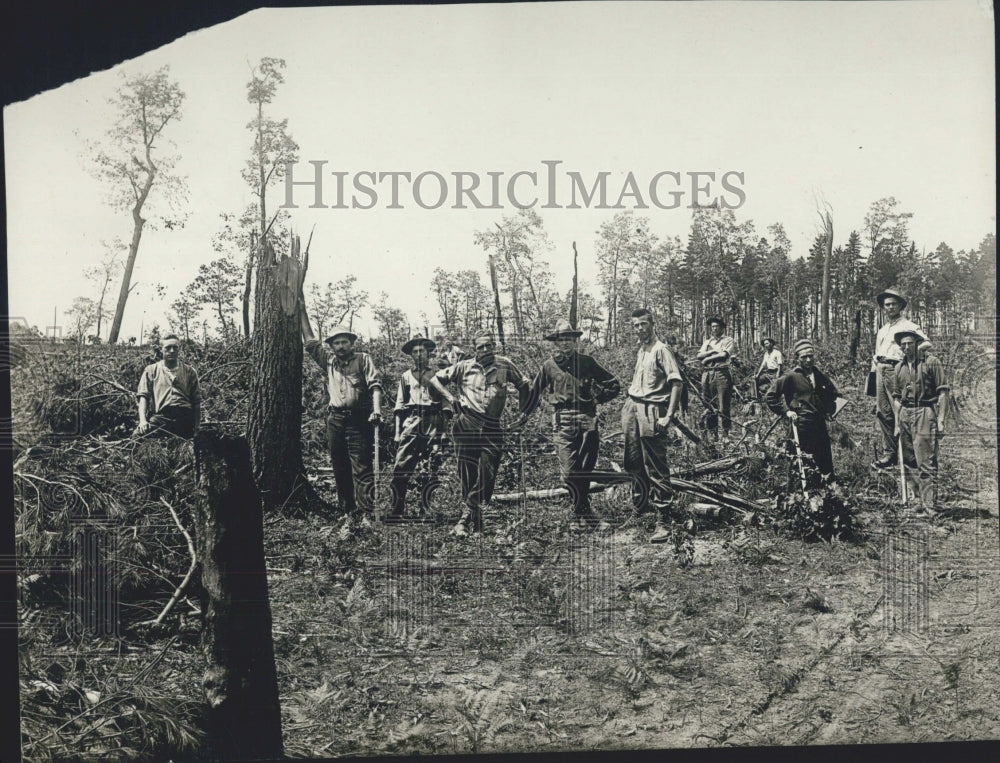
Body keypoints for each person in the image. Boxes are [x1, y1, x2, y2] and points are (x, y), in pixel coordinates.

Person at [522, 319, 621, 531]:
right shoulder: (549, 366)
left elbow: (613, 384)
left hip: (587, 419)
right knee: (569, 473)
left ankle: (580, 516)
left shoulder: (587, 362)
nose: (565, 343)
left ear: (575, 341)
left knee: (585, 469)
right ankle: (585, 512)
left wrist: (597, 399)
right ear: (556, 343)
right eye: (561, 340)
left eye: (569, 339)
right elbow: (534, 393)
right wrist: (523, 417)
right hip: (563, 420)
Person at [431, 330, 530, 536]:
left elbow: (523, 385)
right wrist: (450, 397)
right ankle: (475, 525)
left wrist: (523, 414)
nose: (485, 350)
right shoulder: (464, 366)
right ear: (474, 349)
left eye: (488, 346)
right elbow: (435, 380)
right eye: (480, 347)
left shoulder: (505, 364)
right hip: (466, 422)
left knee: (489, 473)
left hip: (492, 426)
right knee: (467, 474)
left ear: (494, 346)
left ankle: (464, 518)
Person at [299, 305, 383, 520]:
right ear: (332, 346)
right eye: (336, 342)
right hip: (335, 419)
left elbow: (375, 385)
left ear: (352, 343)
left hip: (358, 419)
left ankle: (367, 514)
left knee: (361, 466)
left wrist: (376, 410)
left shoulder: (363, 359)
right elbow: (310, 342)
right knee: (339, 464)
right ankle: (347, 512)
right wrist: (301, 311)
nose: (341, 346)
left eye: (344, 341)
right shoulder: (329, 362)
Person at [622, 309, 684, 544]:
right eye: (636, 325)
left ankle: (663, 520)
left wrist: (668, 415)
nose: (640, 329)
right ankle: (640, 507)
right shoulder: (642, 349)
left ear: (652, 324)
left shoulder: (661, 349)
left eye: (644, 324)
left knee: (656, 466)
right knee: (632, 460)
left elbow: (676, 383)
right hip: (632, 407)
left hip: (651, 409)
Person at [890, 329, 949, 514]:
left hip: (924, 412)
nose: (906, 347)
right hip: (905, 414)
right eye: (903, 344)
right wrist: (897, 423)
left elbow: (943, 392)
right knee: (910, 461)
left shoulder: (931, 363)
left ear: (917, 344)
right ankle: (919, 500)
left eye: (910, 343)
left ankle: (930, 504)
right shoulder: (899, 368)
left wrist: (940, 420)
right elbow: (897, 398)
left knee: (926, 461)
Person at [765, 338, 839, 485]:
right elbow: (770, 396)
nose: (808, 359)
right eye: (804, 357)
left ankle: (826, 488)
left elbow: (833, 394)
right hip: (800, 423)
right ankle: (800, 489)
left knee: (823, 457)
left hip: (819, 422)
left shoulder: (819, 375)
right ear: (797, 358)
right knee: (799, 459)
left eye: (810, 356)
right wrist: (786, 411)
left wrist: (829, 410)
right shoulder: (791, 376)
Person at [389, 335, 445, 520]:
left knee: (431, 467)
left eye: (422, 351)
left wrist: (442, 431)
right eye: (415, 352)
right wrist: (397, 432)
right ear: (411, 355)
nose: (419, 354)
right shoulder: (405, 376)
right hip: (412, 421)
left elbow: (446, 404)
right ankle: (397, 510)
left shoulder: (438, 375)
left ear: (428, 353)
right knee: (401, 467)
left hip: (433, 421)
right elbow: (399, 405)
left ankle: (426, 510)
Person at [870, 287, 927, 469]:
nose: (890, 307)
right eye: (887, 305)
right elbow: (877, 353)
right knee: (883, 412)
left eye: (894, 304)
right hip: (880, 369)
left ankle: (909, 455)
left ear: (900, 306)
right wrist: (873, 377)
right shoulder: (882, 330)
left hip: (897, 369)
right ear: (883, 308)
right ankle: (890, 454)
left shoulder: (908, 326)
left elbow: (927, 342)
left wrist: (909, 357)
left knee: (901, 411)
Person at [134, 334, 200, 439]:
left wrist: (197, 428)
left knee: (194, 446)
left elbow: (196, 402)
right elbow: (143, 397)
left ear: (179, 349)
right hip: (161, 417)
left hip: (185, 418)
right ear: (161, 349)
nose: (172, 351)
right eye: (168, 348)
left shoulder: (190, 372)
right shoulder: (151, 370)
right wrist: (142, 421)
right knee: (137, 436)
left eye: (175, 347)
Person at [697, 316, 737, 443]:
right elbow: (699, 355)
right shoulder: (707, 342)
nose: (714, 329)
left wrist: (707, 359)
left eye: (717, 326)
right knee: (708, 404)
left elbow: (724, 355)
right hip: (707, 374)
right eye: (712, 326)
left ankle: (725, 434)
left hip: (721, 373)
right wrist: (712, 352)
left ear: (722, 328)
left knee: (723, 405)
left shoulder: (728, 340)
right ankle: (713, 433)